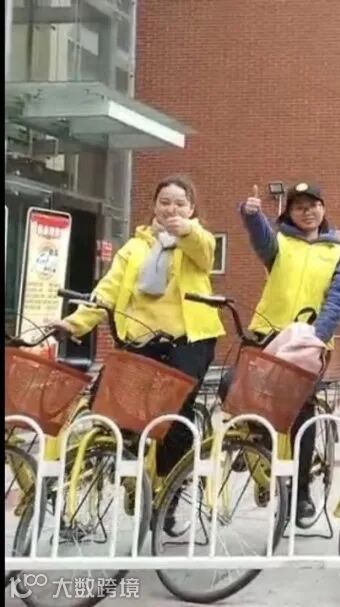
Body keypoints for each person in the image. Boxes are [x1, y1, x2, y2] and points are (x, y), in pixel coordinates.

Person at [54, 175, 225, 530]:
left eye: (180, 203)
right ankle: (132, 476)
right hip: (142, 340)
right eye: (165, 202)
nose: (172, 209)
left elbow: (206, 251)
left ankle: (169, 491)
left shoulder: (196, 241)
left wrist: (187, 231)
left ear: (191, 208)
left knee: (176, 417)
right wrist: (74, 323)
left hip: (189, 340)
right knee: (109, 403)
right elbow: (107, 291)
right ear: (154, 206)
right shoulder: (134, 248)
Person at [237, 181, 340, 524]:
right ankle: (261, 454)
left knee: (301, 413)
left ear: (323, 209)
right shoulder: (279, 243)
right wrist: (251, 215)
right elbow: (261, 239)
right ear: (289, 213)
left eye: (313, 205)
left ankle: (300, 493)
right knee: (232, 389)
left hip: (309, 342)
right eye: (299, 207)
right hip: (268, 332)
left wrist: (317, 336)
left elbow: (336, 300)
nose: (307, 212)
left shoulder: (338, 252)